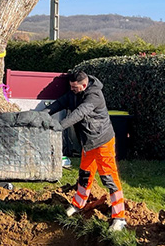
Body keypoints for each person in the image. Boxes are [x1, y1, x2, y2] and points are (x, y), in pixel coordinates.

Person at [48, 70, 126, 231]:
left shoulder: (94, 95)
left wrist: (59, 126)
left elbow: (80, 113)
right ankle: (78, 205)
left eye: (75, 87)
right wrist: (41, 115)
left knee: (109, 177)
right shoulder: (73, 93)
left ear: (84, 85)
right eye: (70, 87)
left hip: (103, 141)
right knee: (84, 174)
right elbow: (59, 103)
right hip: (88, 143)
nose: (72, 90)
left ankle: (119, 217)